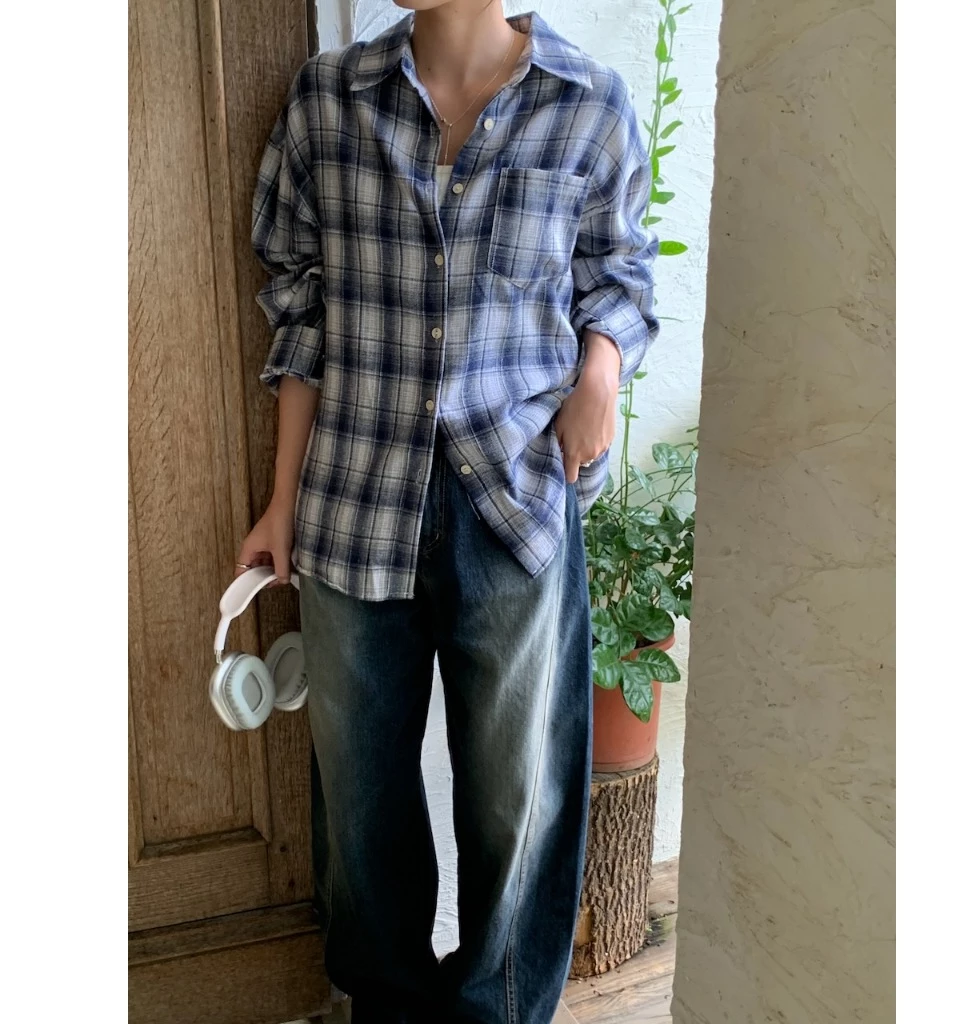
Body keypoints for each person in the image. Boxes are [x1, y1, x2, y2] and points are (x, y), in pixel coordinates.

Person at [235, 1, 659, 1021]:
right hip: (352, 500)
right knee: (362, 797)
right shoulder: (329, 100)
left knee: (521, 797)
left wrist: (600, 373)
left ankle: (497, 1011)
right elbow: (300, 307)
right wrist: (281, 501)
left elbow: (620, 275)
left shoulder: (588, 106)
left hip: (515, 501)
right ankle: (384, 1006)